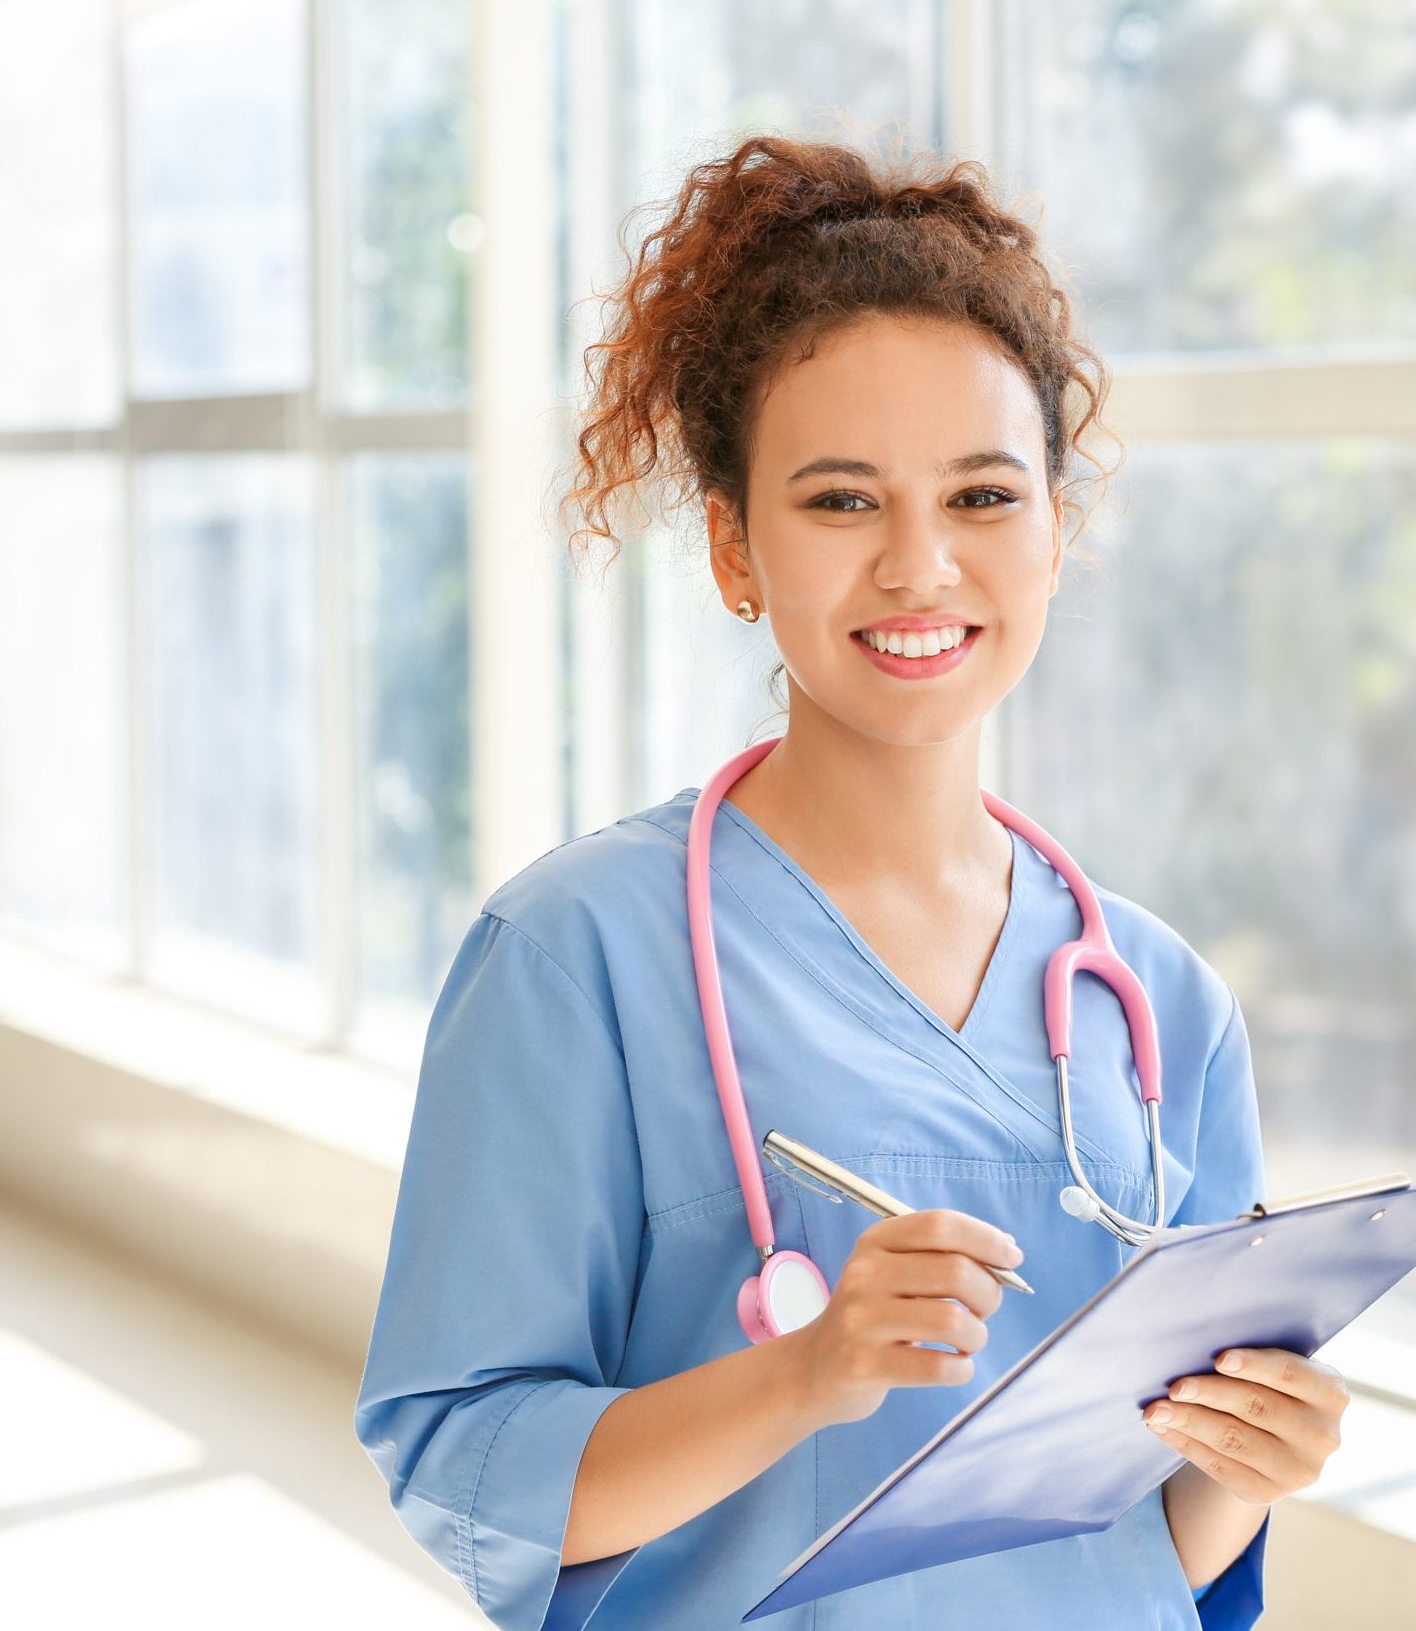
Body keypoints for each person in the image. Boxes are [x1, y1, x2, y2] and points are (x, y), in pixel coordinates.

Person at [352, 135, 1348, 1631]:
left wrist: (1249, 1466)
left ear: (1057, 535)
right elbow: (461, 1467)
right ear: (734, 548)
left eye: (983, 498)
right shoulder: (577, 955)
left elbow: (1143, 1559)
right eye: (838, 502)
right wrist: (802, 1379)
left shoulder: (1162, 1005)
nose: (919, 567)